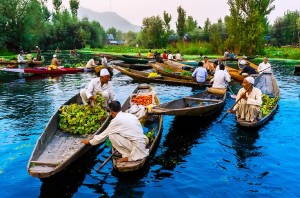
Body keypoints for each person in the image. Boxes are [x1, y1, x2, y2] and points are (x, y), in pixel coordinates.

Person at [81, 100, 149, 163]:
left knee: (111, 134)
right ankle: (130, 152)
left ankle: (128, 155)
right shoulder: (130, 115)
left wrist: (90, 142)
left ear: (112, 112)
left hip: (137, 148)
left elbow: (104, 135)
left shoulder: (116, 120)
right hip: (142, 142)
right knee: (118, 132)